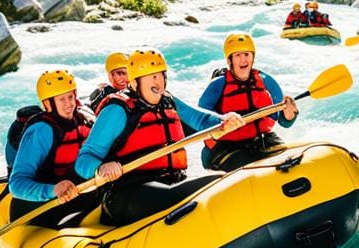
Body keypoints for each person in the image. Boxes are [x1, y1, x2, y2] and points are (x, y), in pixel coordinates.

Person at [74, 48, 245, 226]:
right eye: (150, 76)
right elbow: (83, 160)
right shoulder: (117, 110)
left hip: (170, 181)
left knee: (221, 181)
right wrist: (100, 168)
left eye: (160, 75)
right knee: (198, 188)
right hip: (127, 192)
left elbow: (200, 119)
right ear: (135, 82)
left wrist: (223, 121)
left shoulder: (168, 100)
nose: (158, 81)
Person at [8, 69, 99, 227]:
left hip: (73, 190)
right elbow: (16, 184)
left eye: (70, 97)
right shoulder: (42, 131)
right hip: (38, 201)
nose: (68, 104)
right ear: (47, 104)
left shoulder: (83, 121)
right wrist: (53, 190)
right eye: (61, 99)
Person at [198, 33, 299, 172]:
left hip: (262, 140)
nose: (243, 60)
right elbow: (199, 119)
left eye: (247, 54)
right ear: (229, 60)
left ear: (253, 57)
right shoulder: (218, 85)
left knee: (290, 162)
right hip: (226, 146)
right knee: (249, 167)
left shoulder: (266, 80)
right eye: (238, 55)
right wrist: (220, 122)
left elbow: (284, 122)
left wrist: (289, 114)